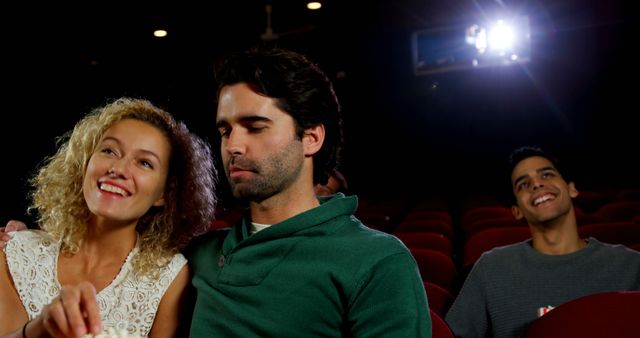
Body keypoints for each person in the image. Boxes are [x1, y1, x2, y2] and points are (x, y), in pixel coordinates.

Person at [185, 47, 431, 336]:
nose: (233, 145)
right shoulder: (199, 252)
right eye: (225, 131)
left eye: (255, 127)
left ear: (311, 138)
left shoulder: (377, 261)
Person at [0, 97, 217, 338]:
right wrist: (40, 330)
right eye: (109, 150)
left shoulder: (169, 278)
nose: (119, 169)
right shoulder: (14, 251)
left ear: (165, 193)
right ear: (84, 163)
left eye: (145, 163)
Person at [445, 146, 640, 338]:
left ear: (571, 188)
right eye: (523, 184)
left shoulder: (632, 265)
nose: (537, 184)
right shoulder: (491, 268)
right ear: (516, 211)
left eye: (546, 175)